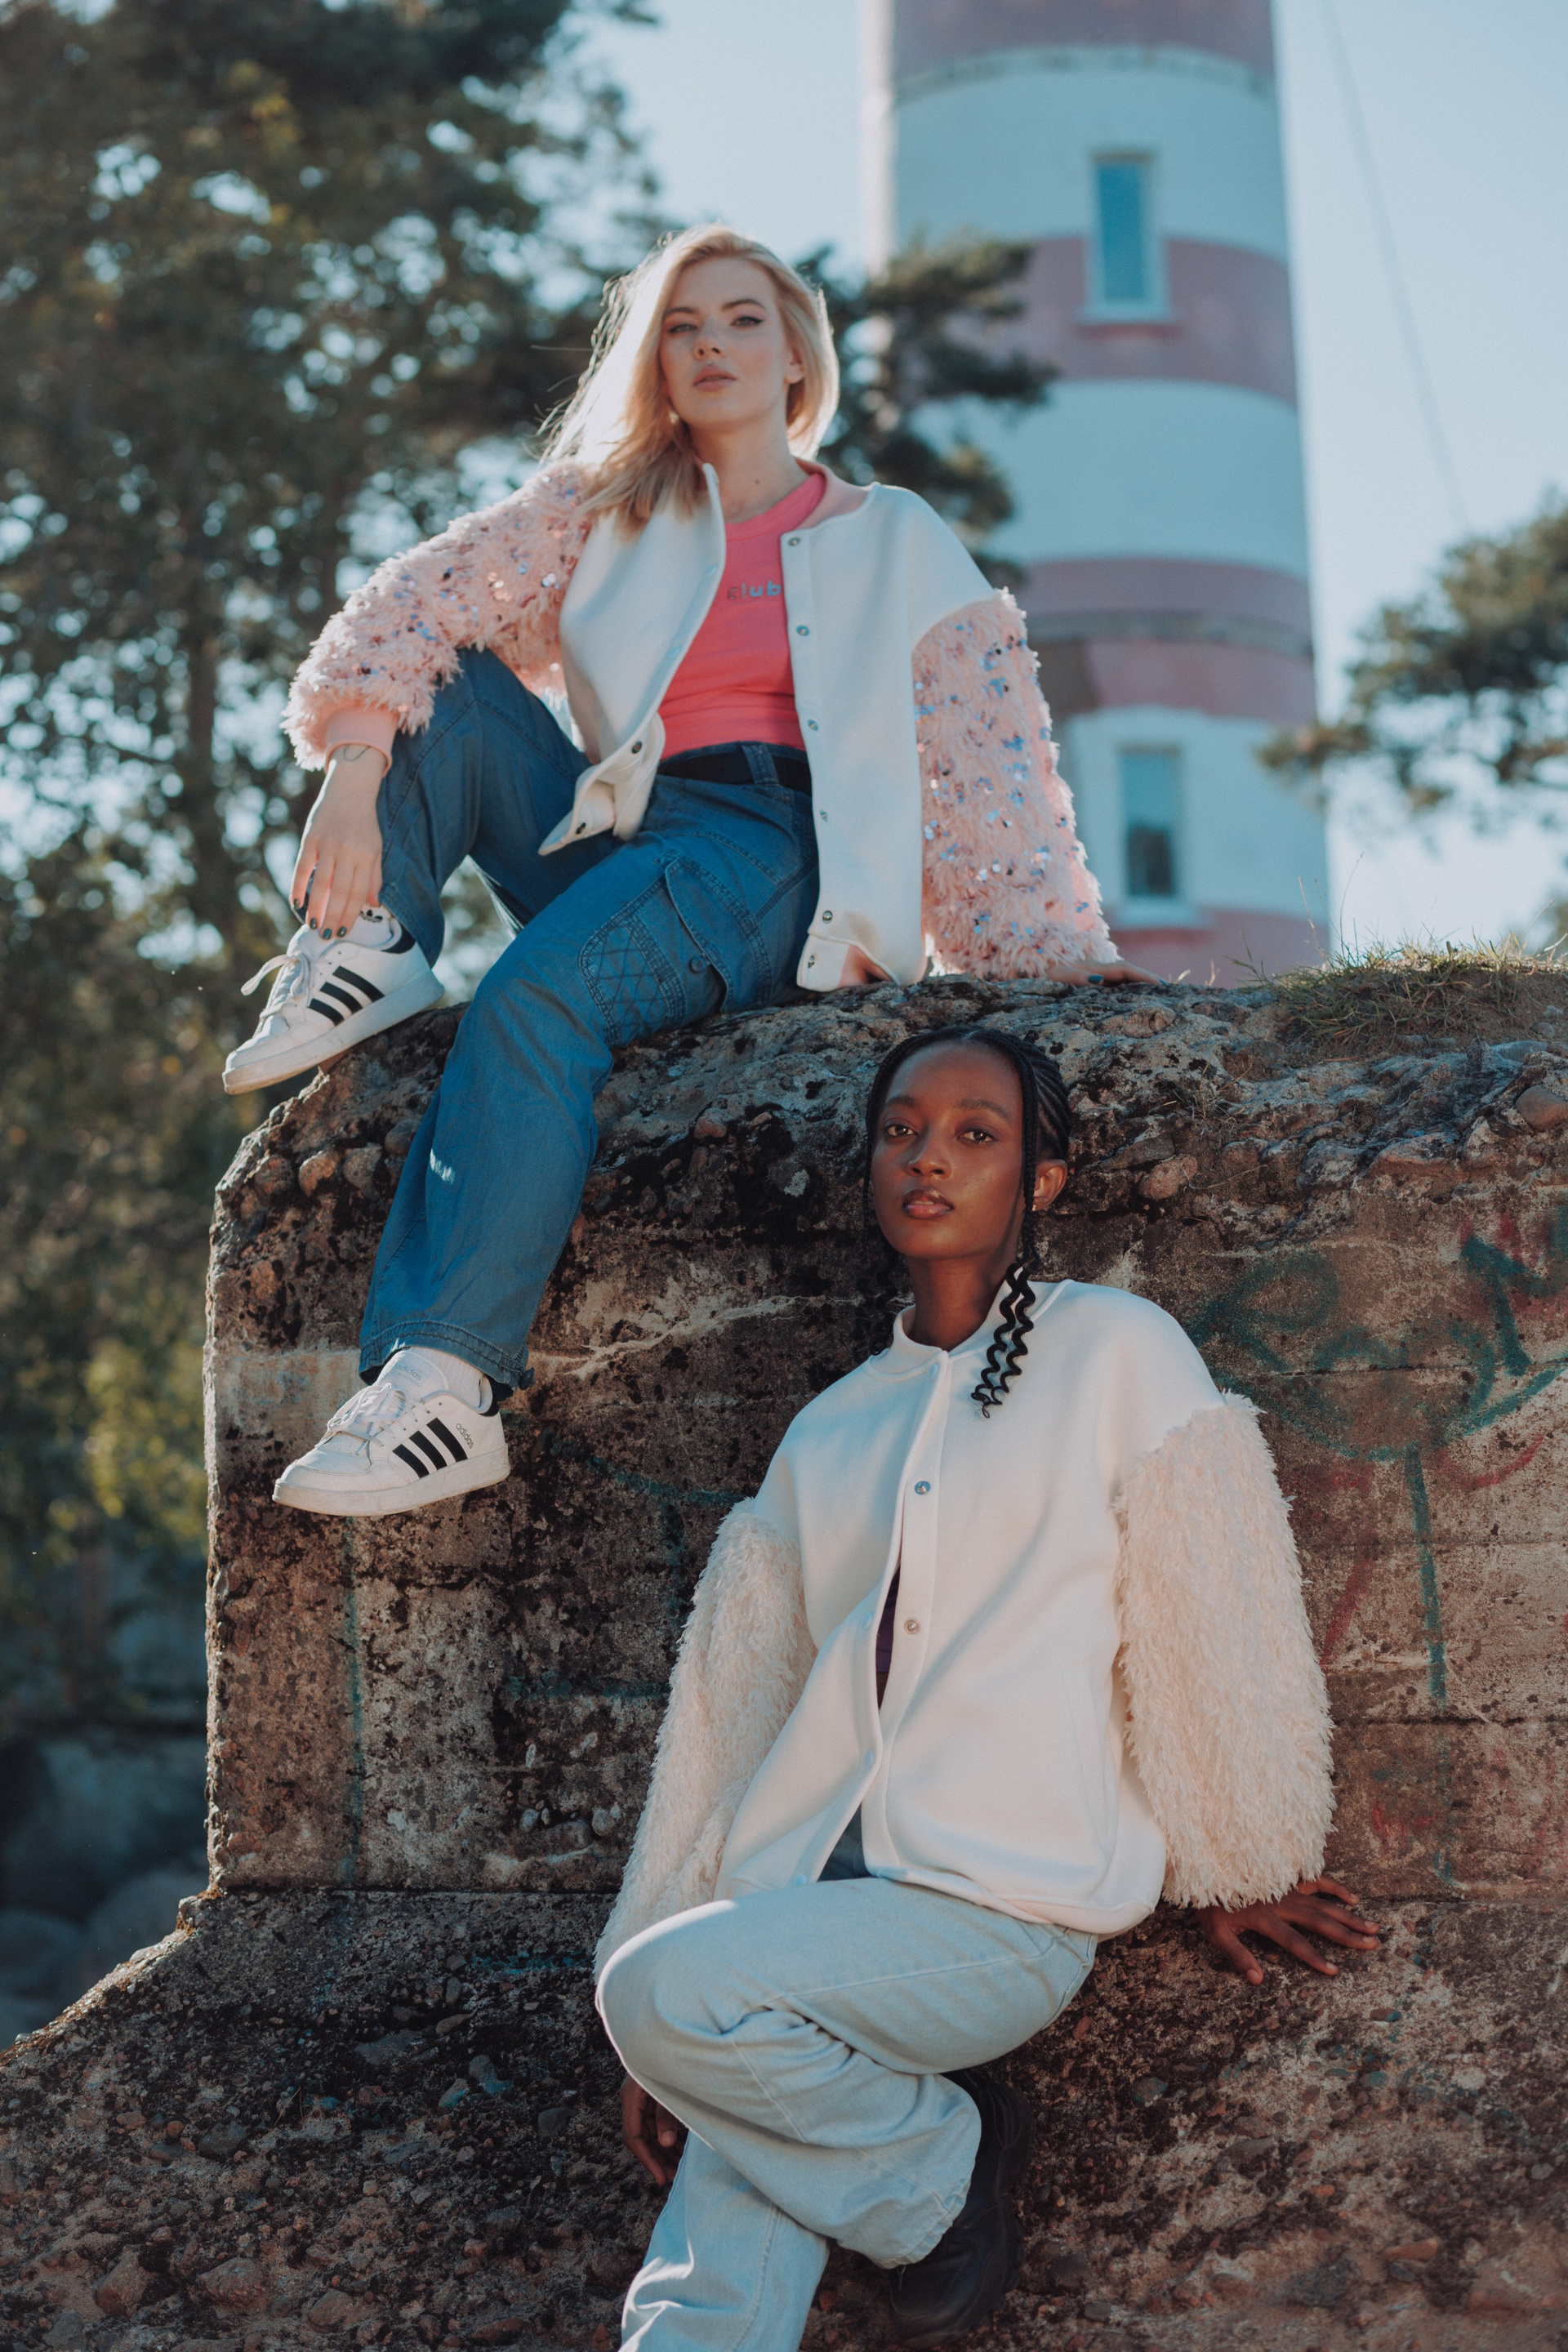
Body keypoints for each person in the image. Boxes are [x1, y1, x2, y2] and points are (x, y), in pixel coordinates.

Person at [224, 222, 1144, 1520]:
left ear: (796, 357)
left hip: (767, 850)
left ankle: (444, 1387)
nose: (712, 346)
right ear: (655, 360)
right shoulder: (608, 511)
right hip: (622, 835)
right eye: (682, 326)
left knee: (534, 1001)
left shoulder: (894, 535)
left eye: (742, 321)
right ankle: (366, 944)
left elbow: (991, 763)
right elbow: (414, 607)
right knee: (456, 684)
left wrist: (1051, 963)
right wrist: (355, 767)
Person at [594, 1023, 1378, 2349]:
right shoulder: (828, 1430)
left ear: (1041, 1180)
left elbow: (1210, 1603)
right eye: (901, 1130)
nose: (928, 1158)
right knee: (705, 2277)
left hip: (998, 1911)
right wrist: (665, 1975)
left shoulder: (1117, 1352)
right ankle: (868, 2173)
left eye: (974, 1133)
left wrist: (1242, 1857)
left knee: (670, 1999)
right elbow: (730, 1715)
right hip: (799, 1908)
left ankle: (933, 2178)